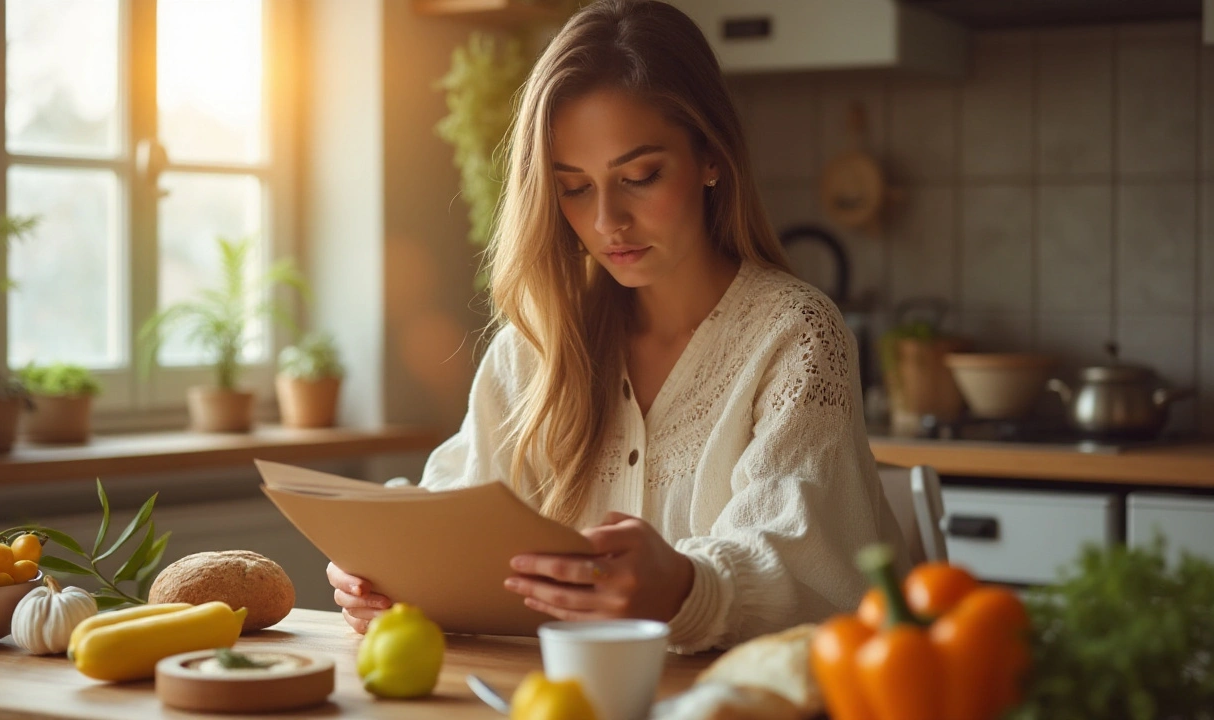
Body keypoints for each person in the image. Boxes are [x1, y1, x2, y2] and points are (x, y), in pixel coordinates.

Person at [327, 0, 908, 654]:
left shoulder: (796, 337)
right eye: (572, 186)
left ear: (712, 158)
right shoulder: (535, 345)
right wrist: (386, 571)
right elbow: (457, 510)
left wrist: (688, 587)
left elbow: (803, 566)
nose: (608, 220)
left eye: (639, 176)